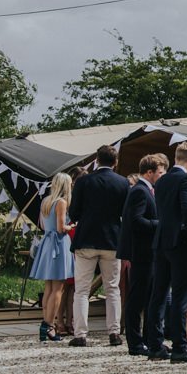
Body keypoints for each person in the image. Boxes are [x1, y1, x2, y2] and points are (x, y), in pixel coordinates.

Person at [68, 144, 130, 347]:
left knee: (82, 289)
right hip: (112, 239)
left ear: (96, 159)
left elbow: (74, 212)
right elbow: (125, 213)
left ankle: (80, 334)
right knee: (113, 288)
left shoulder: (84, 181)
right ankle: (114, 332)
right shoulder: (122, 183)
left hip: (86, 238)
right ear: (116, 161)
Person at [147, 143, 187, 363]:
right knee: (181, 295)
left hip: (161, 241)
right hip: (180, 241)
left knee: (159, 294)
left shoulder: (162, 180)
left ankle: (154, 344)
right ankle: (180, 346)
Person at [117, 153, 165, 356]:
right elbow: (136, 221)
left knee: (149, 297)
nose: (163, 176)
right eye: (160, 172)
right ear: (150, 172)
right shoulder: (139, 191)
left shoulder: (149, 191)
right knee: (137, 298)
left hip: (150, 252)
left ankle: (148, 339)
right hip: (141, 252)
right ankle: (135, 343)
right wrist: (160, 225)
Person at [29, 172, 74, 342]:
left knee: (48, 286)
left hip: (47, 243)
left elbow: (42, 224)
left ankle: (46, 324)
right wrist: (72, 226)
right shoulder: (61, 202)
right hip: (58, 244)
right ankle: (48, 325)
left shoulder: (45, 202)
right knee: (58, 288)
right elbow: (61, 227)